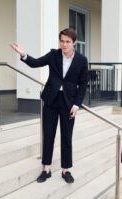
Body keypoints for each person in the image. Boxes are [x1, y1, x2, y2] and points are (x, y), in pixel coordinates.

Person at [10, 28, 89, 183]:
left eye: (67, 42)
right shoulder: (53, 54)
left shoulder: (81, 60)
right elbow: (35, 63)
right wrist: (23, 54)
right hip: (51, 100)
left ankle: (66, 170)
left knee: (66, 136)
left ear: (74, 43)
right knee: (48, 135)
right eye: (62, 41)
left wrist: (77, 105)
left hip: (68, 103)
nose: (64, 44)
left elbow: (83, 84)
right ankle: (46, 169)